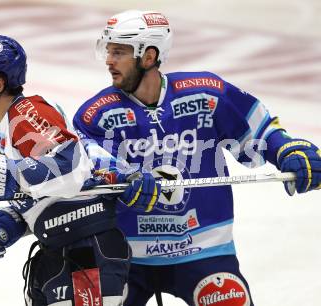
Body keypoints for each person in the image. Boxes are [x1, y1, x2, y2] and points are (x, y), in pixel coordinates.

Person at [72, 10, 321, 306]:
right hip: (124, 255)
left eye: (119, 52)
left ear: (149, 56)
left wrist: (287, 149)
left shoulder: (206, 94)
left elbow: (261, 130)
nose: (109, 61)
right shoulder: (95, 115)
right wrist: (124, 177)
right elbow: (92, 160)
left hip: (204, 250)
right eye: (108, 50)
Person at [0, 34, 159, 306]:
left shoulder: (26, 113)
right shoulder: (7, 128)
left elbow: (70, 166)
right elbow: (53, 192)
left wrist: (6, 175)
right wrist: (13, 221)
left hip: (86, 255)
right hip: (65, 254)